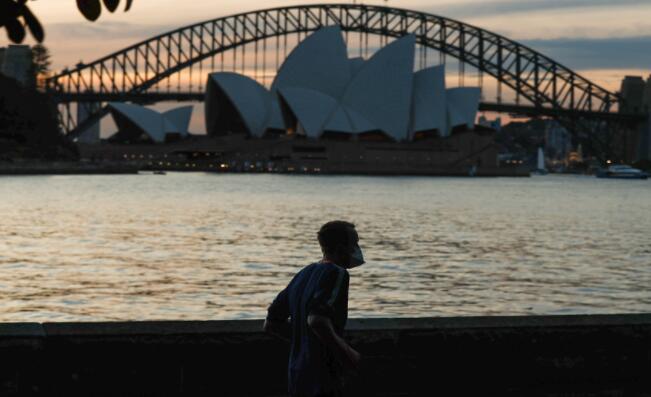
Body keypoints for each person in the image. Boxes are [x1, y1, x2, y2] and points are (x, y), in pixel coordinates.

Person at [264, 220, 364, 397]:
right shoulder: (337, 273)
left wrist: (303, 339)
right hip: (324, 377)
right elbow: (317, 320)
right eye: (355, 243)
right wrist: (348, 354)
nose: (357, 249)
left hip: (296, 377)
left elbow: (271, 323)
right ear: (341, 248)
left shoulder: (304, 274)